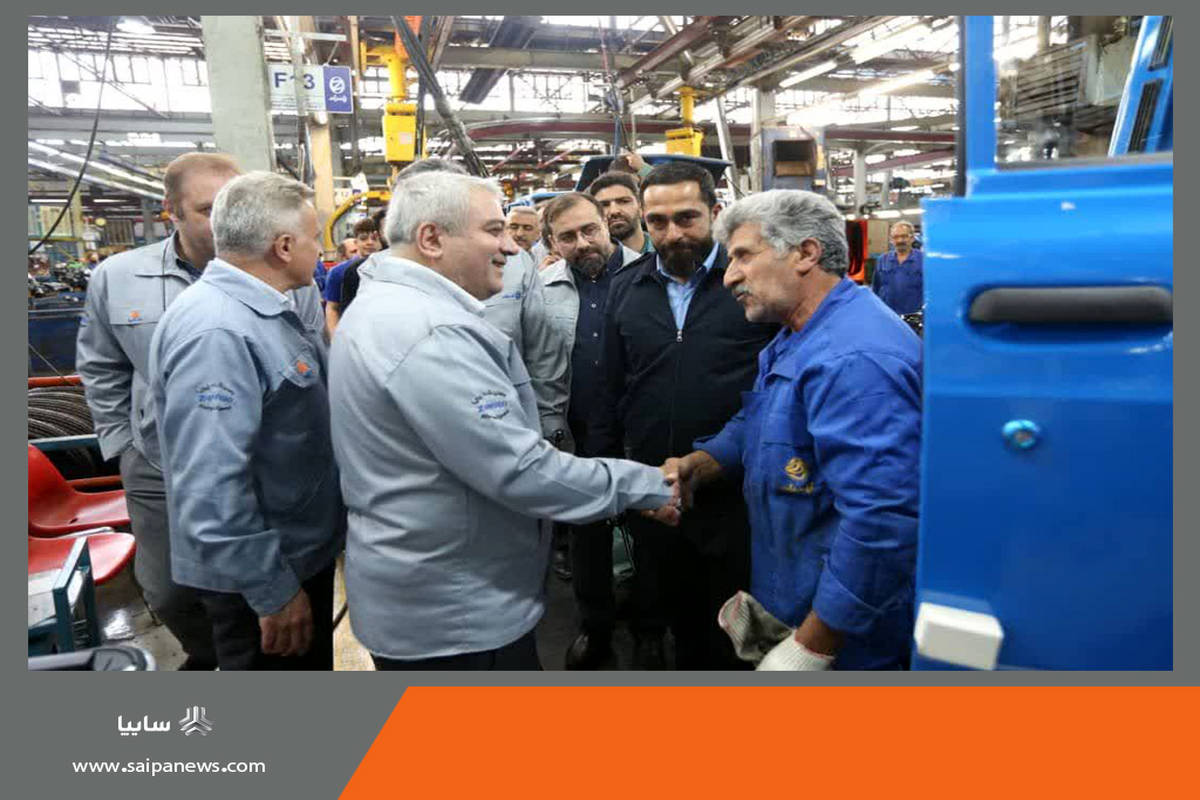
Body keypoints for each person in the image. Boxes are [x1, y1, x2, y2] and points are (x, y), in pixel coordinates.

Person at [328, 171, 681, 670]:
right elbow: (519, 470)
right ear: (432, 239)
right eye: (494, 230)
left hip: (435, 588)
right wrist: (650, 485)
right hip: (456, 614)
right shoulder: (429, 333)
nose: (513, 248)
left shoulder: (388, 307)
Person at [670, 190, 921, 670]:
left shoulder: (854, 358)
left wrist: (814, 645)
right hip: (798, 595)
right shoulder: (798, 337)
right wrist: (700, 464)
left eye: (744, 256)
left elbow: (881, 518)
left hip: (852, 636)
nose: (729, 276)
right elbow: (763, 419)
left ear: (806, 253)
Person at [149, 172, 341, 671]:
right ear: (283, 246)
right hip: (262, 577)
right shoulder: (219, 331)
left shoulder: (259, 312)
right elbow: (210, 486)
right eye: (314, 237)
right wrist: (272, 591)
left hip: (292, 556)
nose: (321, 250)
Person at [592, 161, 777, 669]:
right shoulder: (626, 288)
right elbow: (610, 389)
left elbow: (778, 385)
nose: (672, 233)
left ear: (715, 213)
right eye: (657, 221)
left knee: (740, 628)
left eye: (687, 218)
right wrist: (613, 478)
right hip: (657, 490)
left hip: (738, 489)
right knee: (679, 616)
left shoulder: (748, 282)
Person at [76, 151, 243, 670]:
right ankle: (207, 656)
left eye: (233, 207)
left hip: (251, 463)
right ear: (171, 210)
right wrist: (123, 446)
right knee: (169, 591)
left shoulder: (273, 270)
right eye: (208, 210)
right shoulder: (119, 277)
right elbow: (101, 366)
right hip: (157, 464)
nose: (225, 223)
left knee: (248, 585)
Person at [385, 159, 570, 443]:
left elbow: (542, 352)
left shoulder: (518, 264)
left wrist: (549, 420)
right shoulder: (384, 291)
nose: (509, 245)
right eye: (494, 230)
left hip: (515, 426)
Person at [539, 192, 642, 669]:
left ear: (606, 224)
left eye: (589, 230)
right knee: (587, 535)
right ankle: (595, 627)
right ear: (552, 244)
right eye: (568, 237)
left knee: (650, 531)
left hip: (639, 429)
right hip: (577, 432)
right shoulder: (542, 289)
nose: (582, 243)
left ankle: (649, 626)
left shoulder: (649, 275)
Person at [324, 216, 382, 336]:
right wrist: (335, 337)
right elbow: (332, 308)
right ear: (356, 242)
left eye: (374, 238)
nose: (369, 242)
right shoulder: (338, 272)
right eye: (363, 238)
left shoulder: (388, 269)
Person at [588, 171, 654, 255]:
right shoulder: (591, 258)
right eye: (604, 205)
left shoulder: (664, 248)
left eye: (624, 201)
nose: (614, 211)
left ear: (641, 207)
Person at [870, 220, 924, 315]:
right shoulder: (883, 259)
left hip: (913, 315)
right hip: (887, 314)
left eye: (904, 236)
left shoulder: (923, 260)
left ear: (912, 238)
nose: (900, 240)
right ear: (891, 240)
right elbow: (876, 287)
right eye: (896, 237)